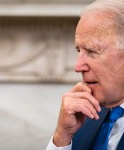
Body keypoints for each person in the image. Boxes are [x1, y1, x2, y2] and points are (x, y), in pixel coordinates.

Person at [46, 0, 124, 150]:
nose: (78, 67)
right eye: (78, 51)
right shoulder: (86, 117)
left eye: (92, 51)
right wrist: (62, 137)